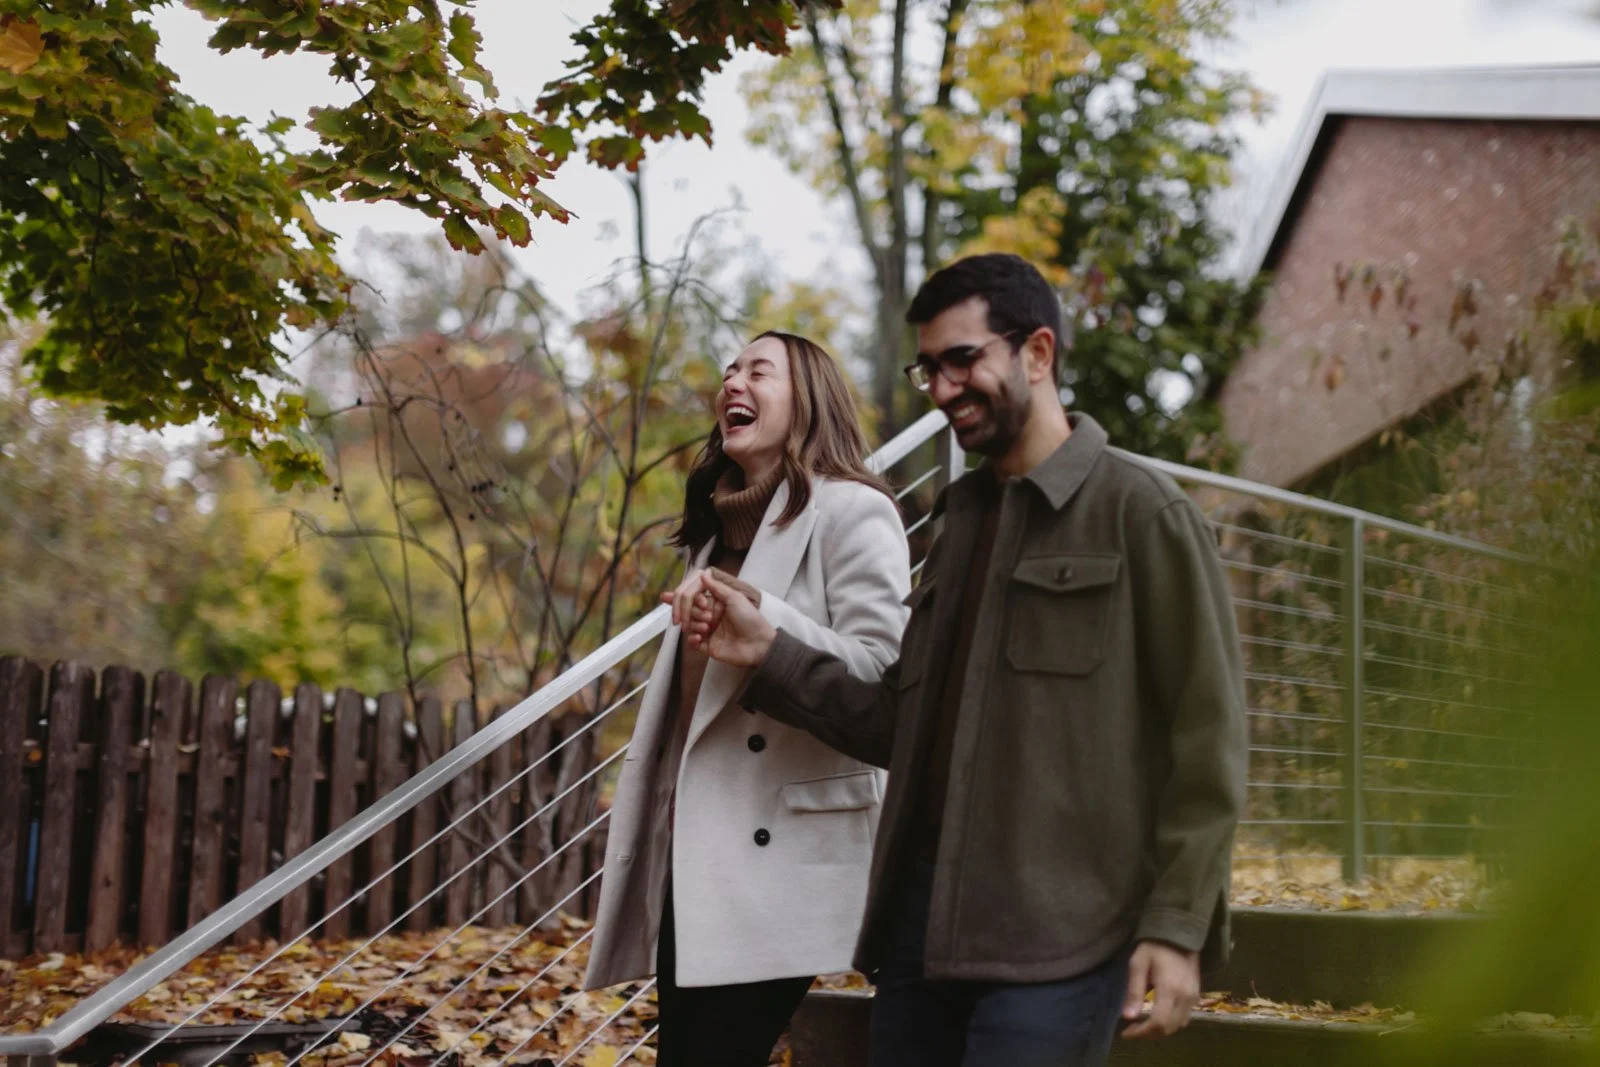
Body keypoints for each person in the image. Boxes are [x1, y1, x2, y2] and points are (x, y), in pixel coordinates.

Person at [683, 254, 1247, 1067]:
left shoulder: (1142, 513)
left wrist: (1177, 924)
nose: (945, 388)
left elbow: (1209, 740)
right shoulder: (961, 522)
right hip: (925, 932)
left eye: (964, 359)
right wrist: (770, 651)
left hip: (1062, 938)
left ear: (1039, 354)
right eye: (930, 368)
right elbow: (897, 720)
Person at [582, 331, 912, 1067]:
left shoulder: (853, 510)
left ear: (810, 401)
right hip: (698, 854)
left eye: (759, 370)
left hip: (789, 853)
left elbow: (885, 677)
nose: (734, 379)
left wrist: (765, 623)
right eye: (730, 368)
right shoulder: (715, 533)